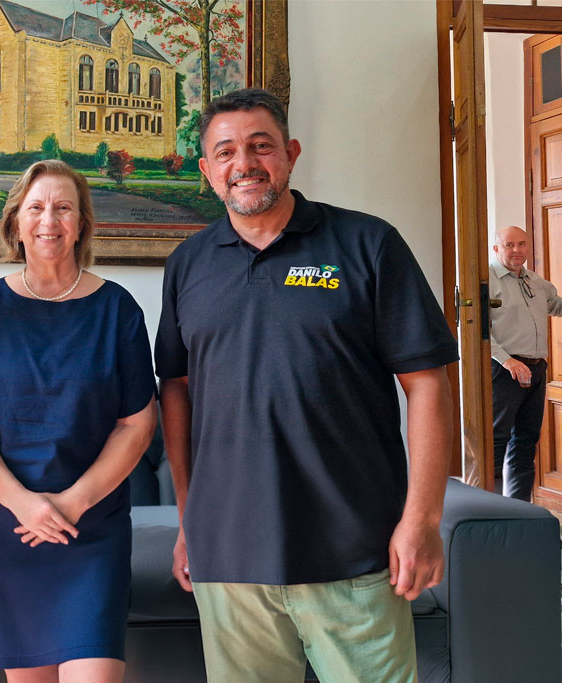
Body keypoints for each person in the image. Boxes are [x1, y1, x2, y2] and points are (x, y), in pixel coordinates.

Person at [154, 88, 458, 682]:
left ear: (290, 154)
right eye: (225, 152)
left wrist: (421, 521)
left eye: (260, 145)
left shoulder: (369, 245)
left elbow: (427, 384)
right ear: (207, 171)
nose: (244, 163)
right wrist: (192, 523)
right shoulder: (187, 264)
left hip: (356, 551)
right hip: (229, 558)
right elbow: (176, 391)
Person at [0, 159, 157, 683]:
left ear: (81, 224)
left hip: (92, 523)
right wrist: (26, 506)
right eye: (35, 207)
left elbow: (136, 425)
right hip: (11, 524)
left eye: (63, 208)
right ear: (16, 221)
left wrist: (71, 503)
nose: (49, 220)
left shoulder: (118, 309)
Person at [489, 225, 562, 500]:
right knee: (496, 441)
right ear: (497, 249)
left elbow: (555, 304)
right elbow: (477, 332)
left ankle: (518, 506)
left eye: (521, 244)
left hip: (536, 369)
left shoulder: (535, 282)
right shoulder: (487, 281)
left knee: (526, 441)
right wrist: (507, 361)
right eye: (509, 245)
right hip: (504, 370)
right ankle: (491, 508)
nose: (517, 250)